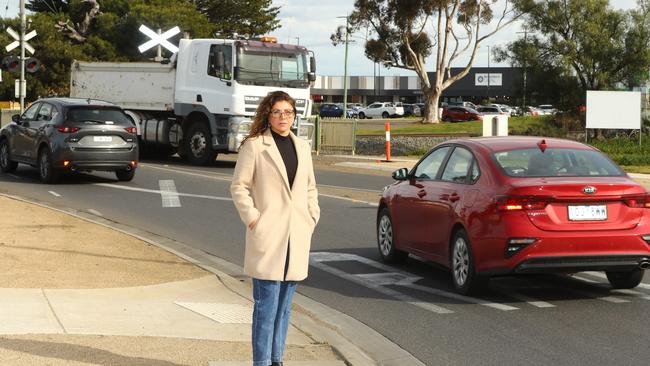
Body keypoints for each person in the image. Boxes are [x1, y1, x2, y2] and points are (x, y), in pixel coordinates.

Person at [230, 90, 320, 366]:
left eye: (289, 112)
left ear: (295, 115)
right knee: (266, 308)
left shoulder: (302, 147)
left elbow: (309, 188)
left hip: (297, 236)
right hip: (268, 237)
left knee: (284, 309)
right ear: (267, 115)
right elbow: (239, 187)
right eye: (278, 112)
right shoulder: (255, 146)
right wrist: (255, 219)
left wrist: (311, 216)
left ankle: (277, 359)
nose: (284, 117)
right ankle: (262, 362)